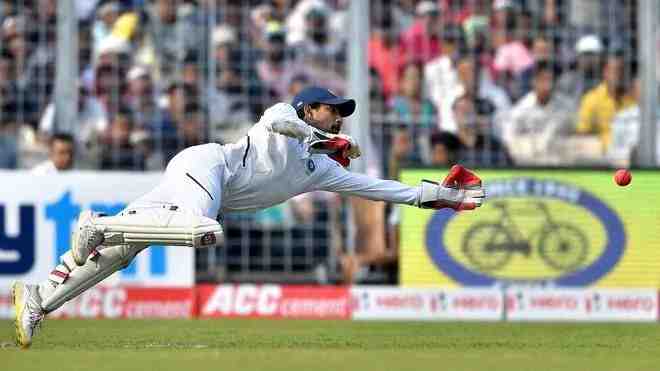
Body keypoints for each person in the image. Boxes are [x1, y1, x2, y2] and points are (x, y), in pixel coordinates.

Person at [12, 86, 485, 348]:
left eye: (342, 114)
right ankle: (97, 224)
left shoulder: (317, 168)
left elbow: (379, 188)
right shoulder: (283, 116)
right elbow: (284, 123)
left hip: (201, 182)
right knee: (203, 230)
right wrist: (318, 137)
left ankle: (39, 299)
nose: (339, 117)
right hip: (205, 165)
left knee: (118, 256)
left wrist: (437, 196)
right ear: (309, 108)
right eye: (331, 110)